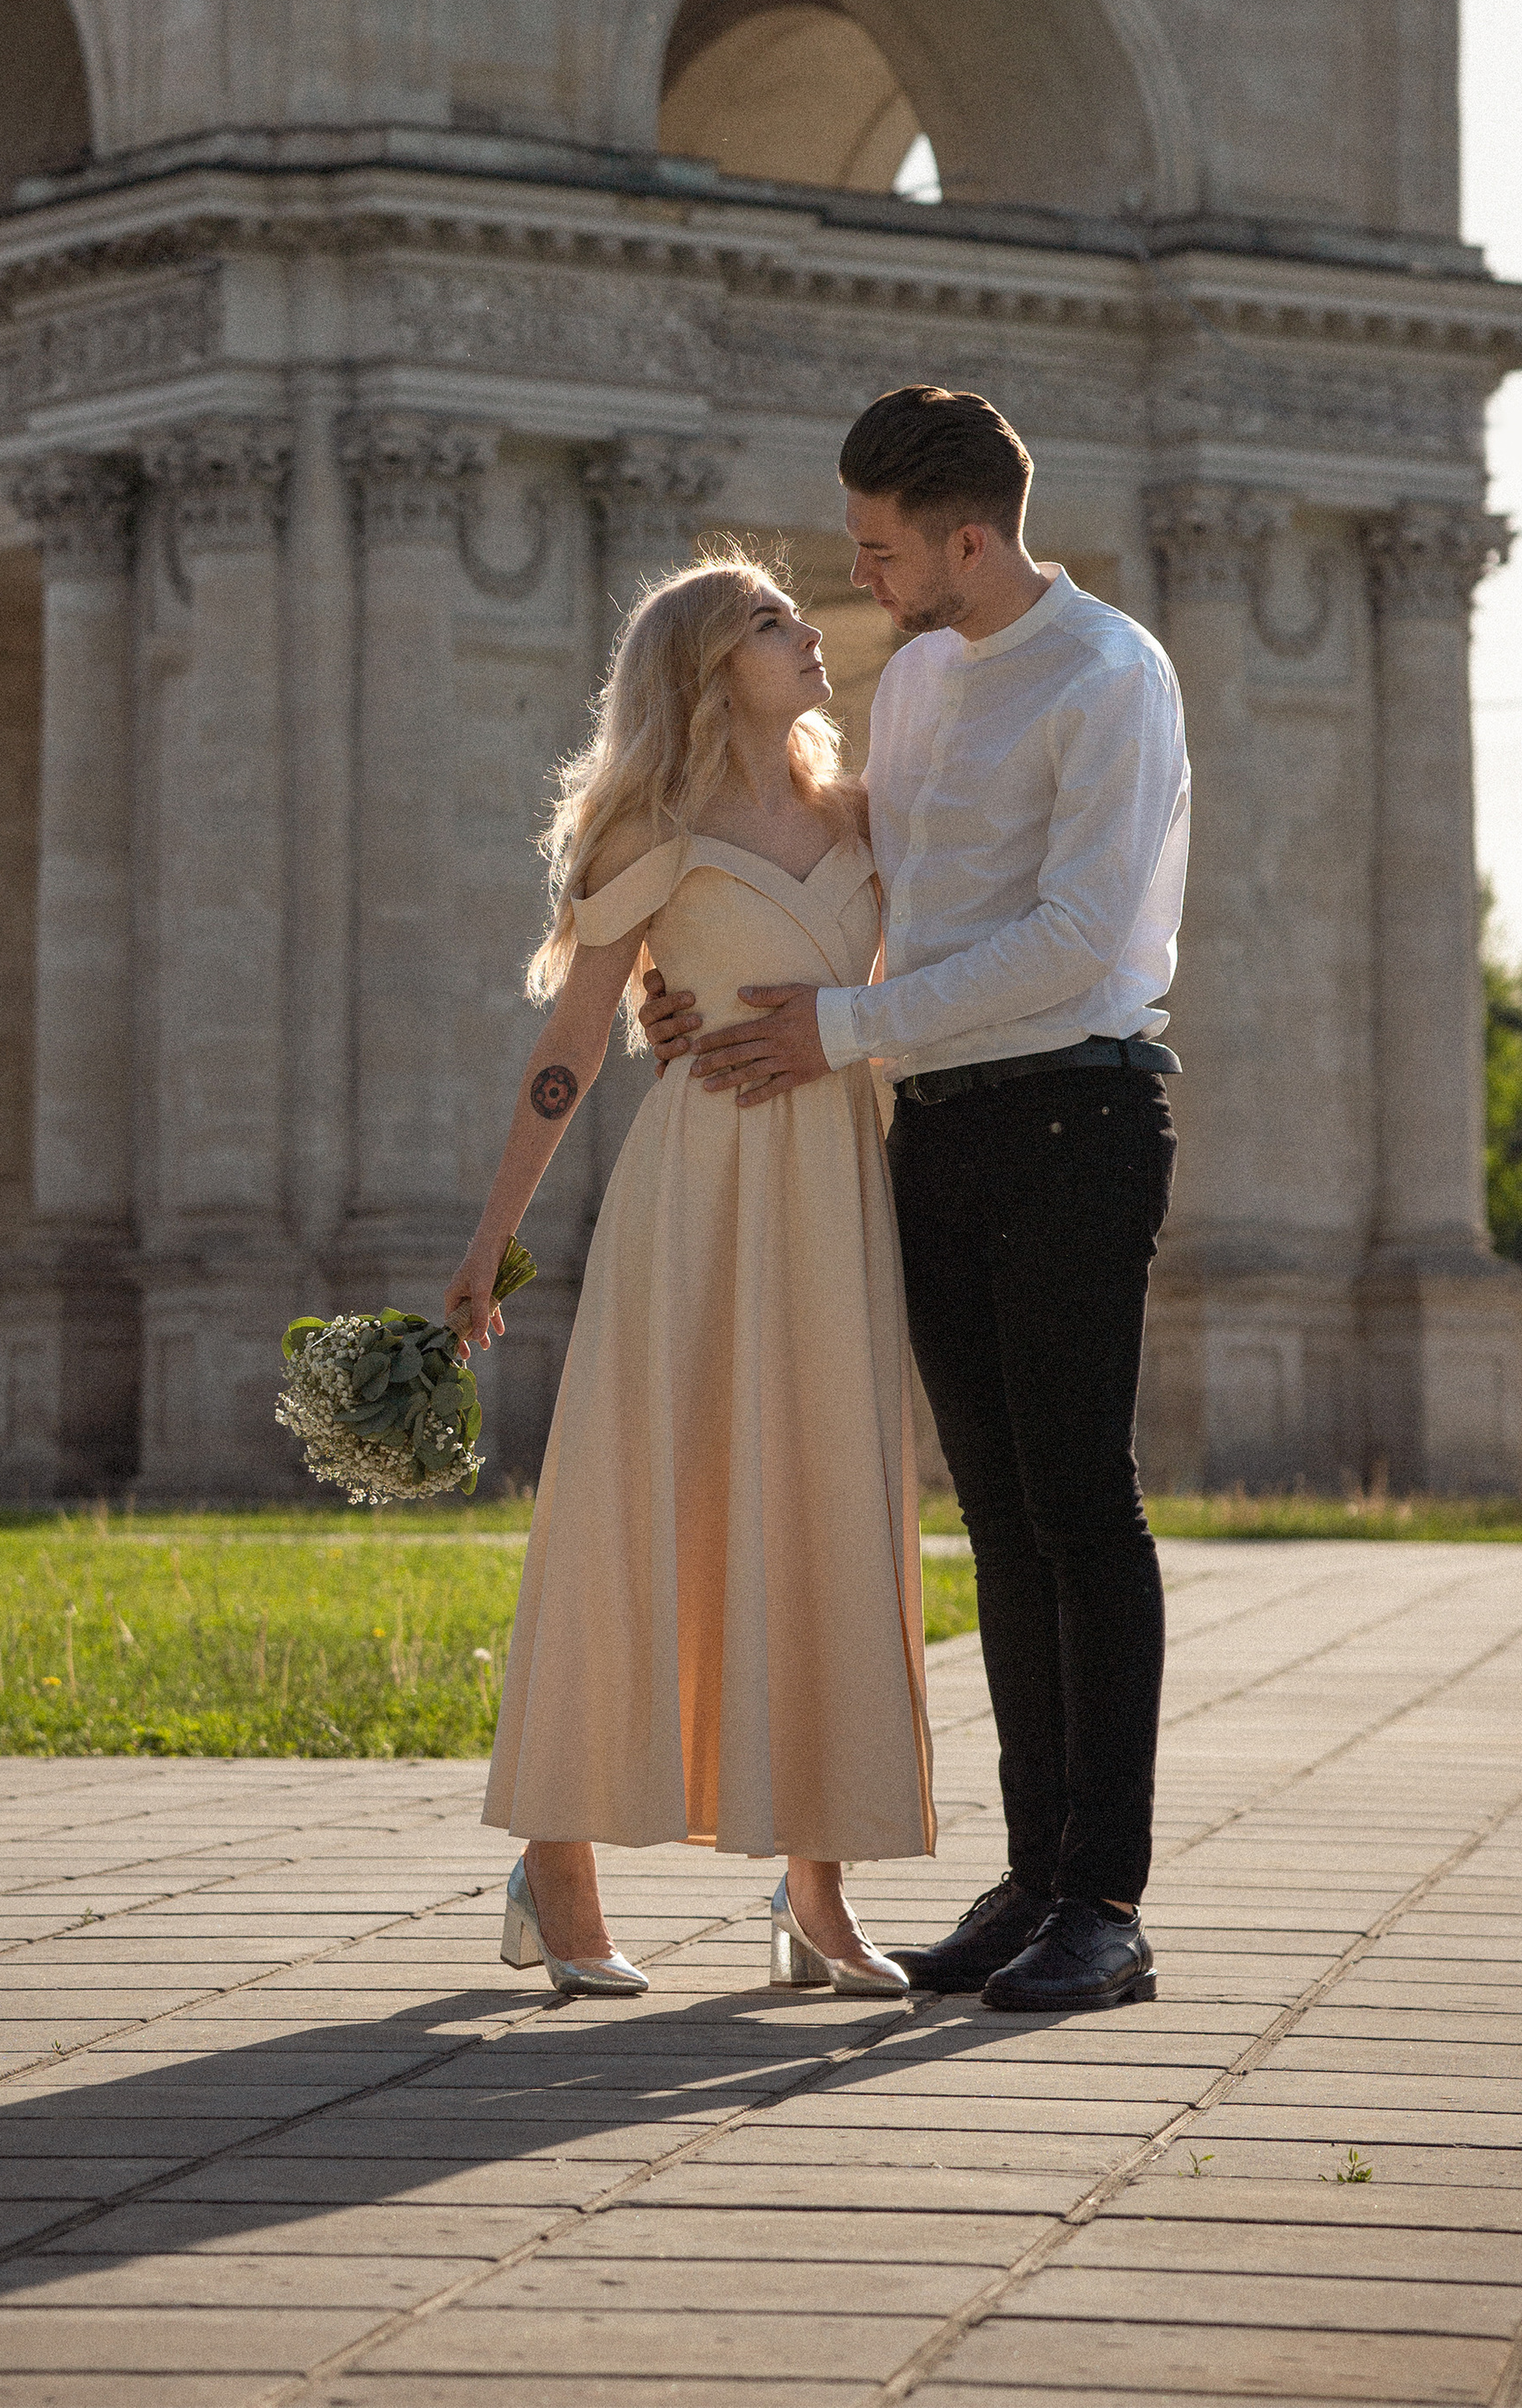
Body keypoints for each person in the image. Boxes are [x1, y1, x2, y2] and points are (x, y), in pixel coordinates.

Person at [642, 388, 1188, 2013]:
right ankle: (1030, 1878)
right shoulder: (922, 677)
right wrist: (713, 988)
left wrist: (841, 1031)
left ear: (967, 537)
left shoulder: (1110, 678)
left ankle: (1107, 1899)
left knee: (1084, 1499)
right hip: (935, 1124)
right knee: (1000, 1514)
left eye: (880, 550)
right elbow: (877, 891)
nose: (856, 579)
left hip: (1079, 1113)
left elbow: (1079, 938)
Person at [446, 557, 934, 2000]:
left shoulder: (867, 818)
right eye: (772, 625)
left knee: (831, 1510)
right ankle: (560, 1869)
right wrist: (488, 1250)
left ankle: (817, 1895)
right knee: (630, 1508)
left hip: (839, 1201)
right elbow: (574, 1048)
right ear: (707, 669)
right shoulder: (646, 833)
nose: (807, 638)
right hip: (698, 1199)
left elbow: (916, 988)